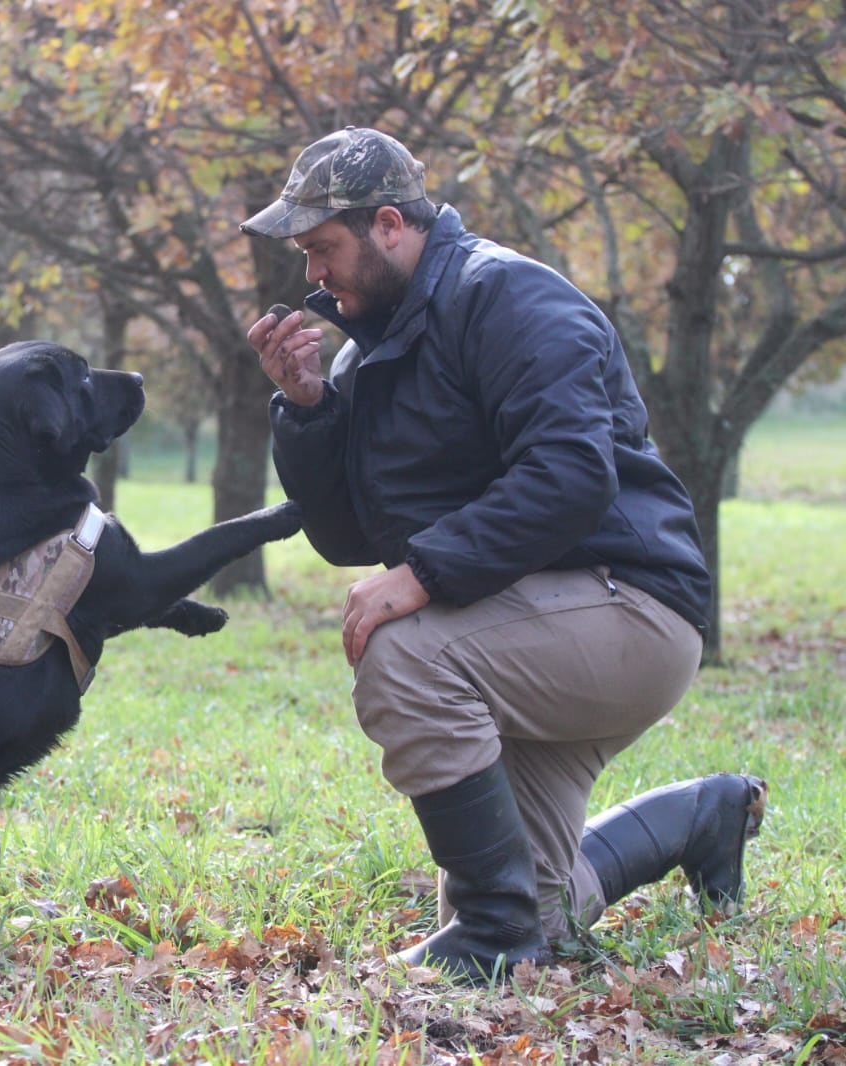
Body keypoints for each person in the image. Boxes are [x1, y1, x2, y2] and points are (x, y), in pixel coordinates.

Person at [240, 126, 767, 983]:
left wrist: (422, 576)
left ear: (388, 224)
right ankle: (698, 816)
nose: (313, 275)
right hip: (526, 615)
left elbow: (570, 476)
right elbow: (344, 538)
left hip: (629, 603)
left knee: (405, 650)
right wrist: (306, 411)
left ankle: (489, 928)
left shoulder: (511, 297)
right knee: (546, 920)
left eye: (322, 248)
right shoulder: (363, 355)